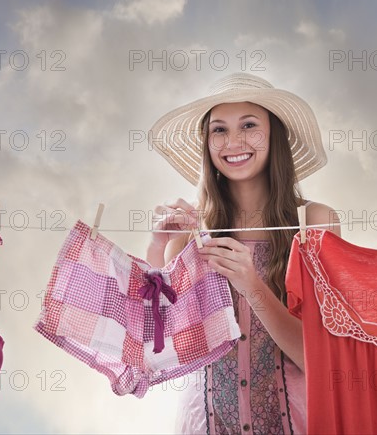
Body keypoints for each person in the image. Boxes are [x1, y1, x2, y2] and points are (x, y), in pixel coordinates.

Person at [145, 73, 341, 434]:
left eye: (248, 125)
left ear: (274, 135)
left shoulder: (313, 221)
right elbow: (163, 345)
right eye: (219, 130)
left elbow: (321, 361)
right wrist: (157, 248)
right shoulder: (191, 228)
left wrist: (253, 285)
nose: (232, 141)